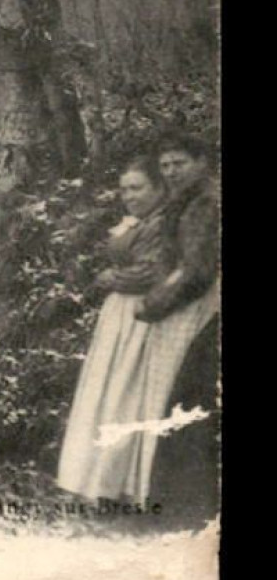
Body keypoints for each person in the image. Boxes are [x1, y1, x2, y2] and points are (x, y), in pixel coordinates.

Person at [55, 156, 174, 504]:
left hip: (141, 311)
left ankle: (115, 484)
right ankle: (91, 479)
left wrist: (113, 278)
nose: (129, 196)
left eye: (137, 188)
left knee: (125, 389)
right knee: (104, 389)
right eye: (124, 189)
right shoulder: (139, 222)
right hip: (119, 312)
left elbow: (155, 271)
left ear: (159, 188)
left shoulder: (164, 223)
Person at [142, 132, 221, 521]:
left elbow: (195, 271)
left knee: (185, 398)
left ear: (201, 162)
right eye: (165, 165)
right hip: (188, 303)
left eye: (179, 163)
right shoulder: (184, 201)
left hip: (198, 310)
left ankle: (183, 507)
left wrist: (155, 304)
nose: (171, 172)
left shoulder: (204, 203)